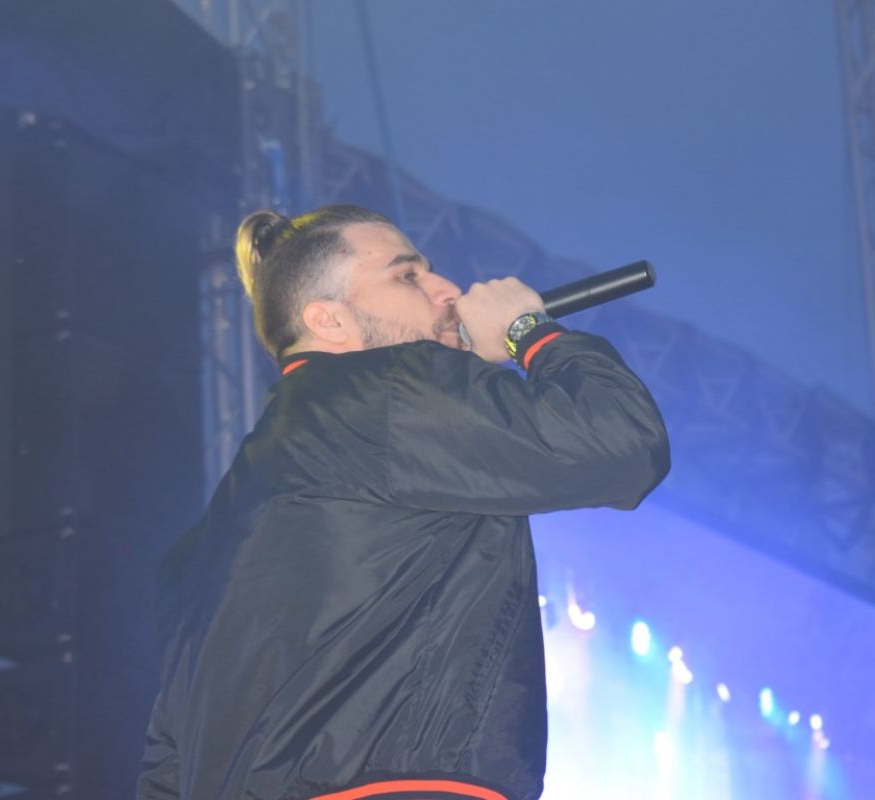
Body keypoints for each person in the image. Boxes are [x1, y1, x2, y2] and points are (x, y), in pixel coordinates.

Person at [137, 205, 669, 800]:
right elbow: (622, 444)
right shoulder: (384, 389)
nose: (448, 290)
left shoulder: (201, 548)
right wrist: (529, 330)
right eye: (408, 275)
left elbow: (165, 767)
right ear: (329, 320)